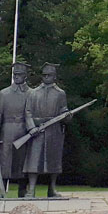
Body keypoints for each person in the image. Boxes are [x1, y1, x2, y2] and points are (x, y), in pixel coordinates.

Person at [23, 62, 69, 197]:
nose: (46, 77)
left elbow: (63, 110)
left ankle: (52, 189)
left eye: (49, 75)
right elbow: (28, 112)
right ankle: (31, 190)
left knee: (54, 161)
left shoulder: (60, 93)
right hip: (37, 129)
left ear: (54, 77)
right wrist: (31, 127)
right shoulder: (33, 93)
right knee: (34, 160)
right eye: (44, 75)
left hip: (54, 130)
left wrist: (67, 115)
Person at [0, 62, 32, 198]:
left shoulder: (31, 93)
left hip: (24, 129)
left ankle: (22, 189)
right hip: (7, 130)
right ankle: (2, 189)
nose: (16, 77)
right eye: (14, 74)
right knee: (5, 159)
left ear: (25, 76)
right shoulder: (4, 93)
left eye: (19, 74)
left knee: (23, 160)